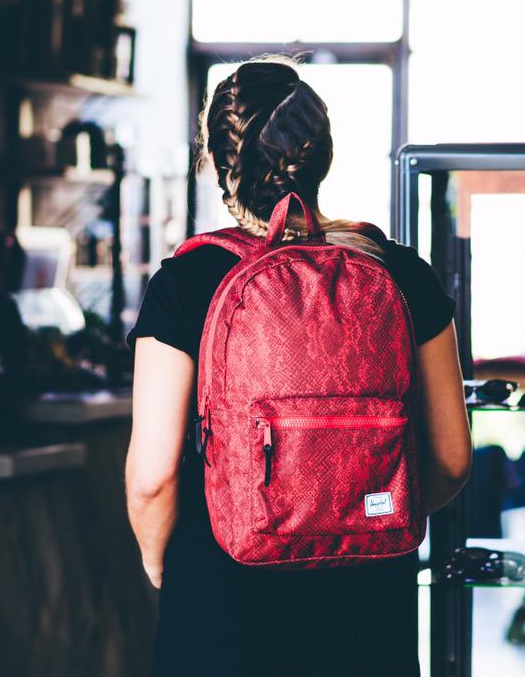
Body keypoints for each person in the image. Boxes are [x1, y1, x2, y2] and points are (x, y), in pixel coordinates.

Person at [125, 56, 472, 677]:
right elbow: (450, 459)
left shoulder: (186, 282)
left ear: (217, 162)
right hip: (370, 609)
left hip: (222, 604)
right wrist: (367, 516)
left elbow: (152, 477)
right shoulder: (401, 274)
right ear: (322, 157)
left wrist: (161, 563)